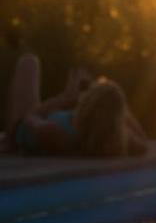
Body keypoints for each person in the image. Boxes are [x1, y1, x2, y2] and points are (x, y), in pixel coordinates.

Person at [3, 53, 147, 157]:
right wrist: (119, 105)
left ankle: (7, 140)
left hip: (19, 131)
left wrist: (64, 98)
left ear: (88, 102)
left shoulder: (58, 133)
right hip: (44, 122)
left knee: (29, 62)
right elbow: (142, 139)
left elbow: (30, 117)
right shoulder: (113, 138)